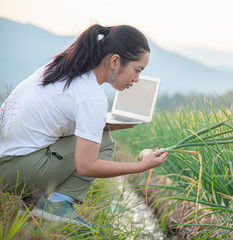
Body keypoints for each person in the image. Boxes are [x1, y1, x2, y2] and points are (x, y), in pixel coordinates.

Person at [0, 24, 168, 231]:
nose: (136, 79)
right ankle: (57, 205)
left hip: (8, 162)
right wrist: (140, 167)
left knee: (100, 132)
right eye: (137, 70)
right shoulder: (91, 95)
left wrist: (103, 123)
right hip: (15, 171)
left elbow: (56, 119)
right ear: (115, 61)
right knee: (104, 143)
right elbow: (86, 166)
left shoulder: (61, 68)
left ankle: (33, 204)